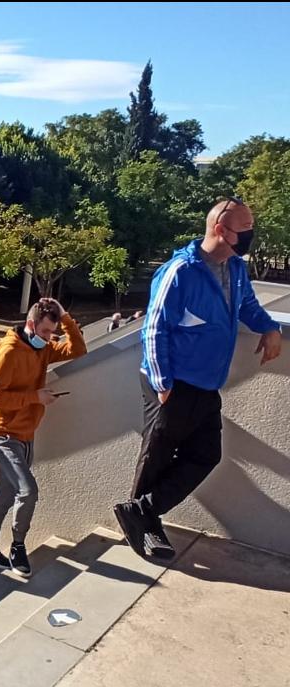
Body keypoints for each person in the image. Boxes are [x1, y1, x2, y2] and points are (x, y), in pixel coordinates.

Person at [114, 198, 283, 560]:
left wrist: (269, 328)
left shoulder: (235, 268)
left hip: (206, 382)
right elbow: (154, 328)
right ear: (220, 229)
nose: (251, 235)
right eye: (245, 228)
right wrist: (163, 384)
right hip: (172, 381)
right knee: (157, 453)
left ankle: (140, 512)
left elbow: (247, 307)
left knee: (206, 454)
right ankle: (144, 524)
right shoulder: (181, 271)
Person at [0, 297, 85, 576]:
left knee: (5, 495)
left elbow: (78, 348)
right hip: (3, 435)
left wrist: (65, 316)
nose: (50, 338)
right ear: (30, 324)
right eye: (45, 332)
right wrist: (35, 397)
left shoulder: (44, 348)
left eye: (53, 332)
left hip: (26, 434)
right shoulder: (8, 352)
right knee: (28, 490)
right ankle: (18, 546)